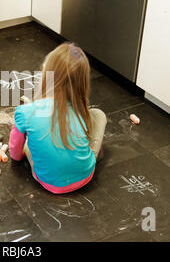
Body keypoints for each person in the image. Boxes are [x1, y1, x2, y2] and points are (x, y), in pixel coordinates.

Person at [8, 43, 107, 194]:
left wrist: (24, 152)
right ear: (81, 83)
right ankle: (88, 154)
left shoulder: (25, 111)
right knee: (98, 115)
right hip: (84, 176)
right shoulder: (80, 106)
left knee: (29, 142)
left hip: (48, 181)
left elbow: (15, 154)